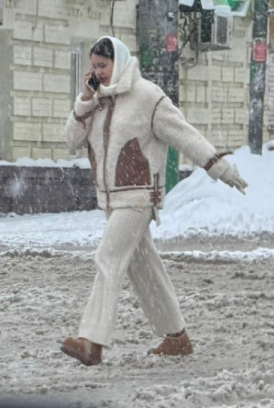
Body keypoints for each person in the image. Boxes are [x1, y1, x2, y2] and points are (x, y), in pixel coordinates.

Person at [61, 36, 248, 366]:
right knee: (143, 268)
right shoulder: (97, 101)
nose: (98, 72)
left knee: (107, 257)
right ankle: (177, 338)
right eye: (94, 66)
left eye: (103, 65)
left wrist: (218, 166)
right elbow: (71, 140)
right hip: (112, 200)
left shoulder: (147, 96)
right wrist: (85, 101)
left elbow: (183, 133)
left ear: (119, 62)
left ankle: (92, 341)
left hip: (138, 196)